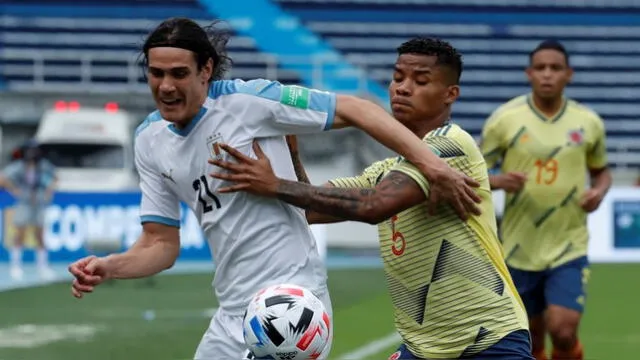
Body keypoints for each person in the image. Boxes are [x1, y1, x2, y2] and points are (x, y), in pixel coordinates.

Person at [67, 19, 482, 360]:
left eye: (179, 74)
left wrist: (433, 166)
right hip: (232, 310)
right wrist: (111, 267)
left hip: (289, 301)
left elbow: (358, 109)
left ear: (206, 71)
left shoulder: (249, 102)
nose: (166, 86)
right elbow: (160, 243)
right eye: (156, 74)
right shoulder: (149, 139)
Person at [210, 37, 533, 360]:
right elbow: (309, 210)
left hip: (488, 338)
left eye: (420, 81)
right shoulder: (385, 170)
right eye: (397, 78)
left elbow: (374, 205)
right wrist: (291, 153)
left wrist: (275, 184)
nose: (402, 88)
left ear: (451, 94)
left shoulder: (451, 144)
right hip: (423, 348)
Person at [480, 40, 611, 360]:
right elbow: (473, 172)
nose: (548, 74)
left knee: (563, 331)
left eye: (555, 68)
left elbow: (602, 172)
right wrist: (498, 180)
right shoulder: (504, 119)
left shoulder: (588, 122)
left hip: (568, 246)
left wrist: (600, 191)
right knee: (532, 338)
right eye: (540, 68)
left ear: (569, 74)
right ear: (529, 74)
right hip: (516, 248)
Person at [0, 139, 57, 280]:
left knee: (40, 235)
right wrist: (14, 190)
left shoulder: (43, 165)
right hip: (24, 203)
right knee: (20, 233)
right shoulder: (20, 166)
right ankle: (15, 265)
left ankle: (43, 266)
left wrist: (49, 191)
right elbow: (3, 178)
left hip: (39, 203)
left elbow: (55, 178)